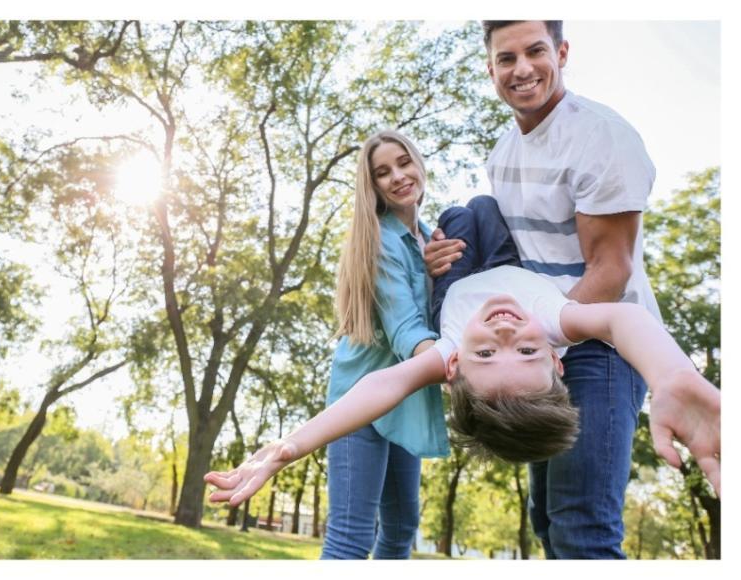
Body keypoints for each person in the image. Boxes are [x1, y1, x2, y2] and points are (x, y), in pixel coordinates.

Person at [203, 198, 720, 513]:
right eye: (526, 349)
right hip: (507, 261)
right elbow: (623, 318)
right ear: (557, 359)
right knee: (488, 206)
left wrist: (287, 447)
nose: (505, 330)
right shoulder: (553, 321)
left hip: (458, 280)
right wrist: (670, 374)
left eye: (485, 354)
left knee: (458, 216)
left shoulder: (447, 350)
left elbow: (381, 386)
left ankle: (440, 237)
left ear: (453, 369)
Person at [423, 20, 688, 558]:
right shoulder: (503, 152)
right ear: (491, 68)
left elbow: (610, 270)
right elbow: (516, 260)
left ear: (562, 52)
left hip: (602, 342)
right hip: (543, 341)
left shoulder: (599, 136)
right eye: (506, 58)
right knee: (546, 520)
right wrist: (448, 261)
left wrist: (538, 342)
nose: (521, 69)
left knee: (582, 524)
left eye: (535, 51)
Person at [275, 129, 454, 559]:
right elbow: (407, 331)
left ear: (419, 163)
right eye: (382, 173)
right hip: (360, 399)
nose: (398, 176)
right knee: (351, 536)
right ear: (371, 186)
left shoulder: (429, 237)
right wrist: (458, 365)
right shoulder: (380, 242)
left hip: (403, 402)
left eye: (404, 162)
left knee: (400, 529)